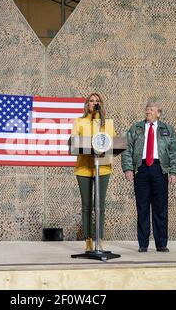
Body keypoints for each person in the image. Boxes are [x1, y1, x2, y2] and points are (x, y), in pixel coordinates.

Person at [121, 102, 176, 252]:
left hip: (159, 169)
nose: (148, 111)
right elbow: (126, 149)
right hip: (141, 169)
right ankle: (143, 244)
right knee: (142, 207)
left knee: (160, 208)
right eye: (147, 109)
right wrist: (128, 168)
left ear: (158, 113)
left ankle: (161, 243)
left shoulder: (167, 129)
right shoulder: (136, 128)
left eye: (151, 109)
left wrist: (174, 171)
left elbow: (175, 151)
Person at [71, 93, 116, 252]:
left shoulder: (107, 123)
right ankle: (88, 240)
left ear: (101, 104)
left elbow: (113, 143)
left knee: (100, 206)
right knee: (87, 205)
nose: (94, 103)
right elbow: (74, 141)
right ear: (87, 104)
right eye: (91, 101)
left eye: (97, 101)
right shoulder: (80, 121)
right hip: (84, 167)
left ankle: (99, 239)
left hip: (102, 167)